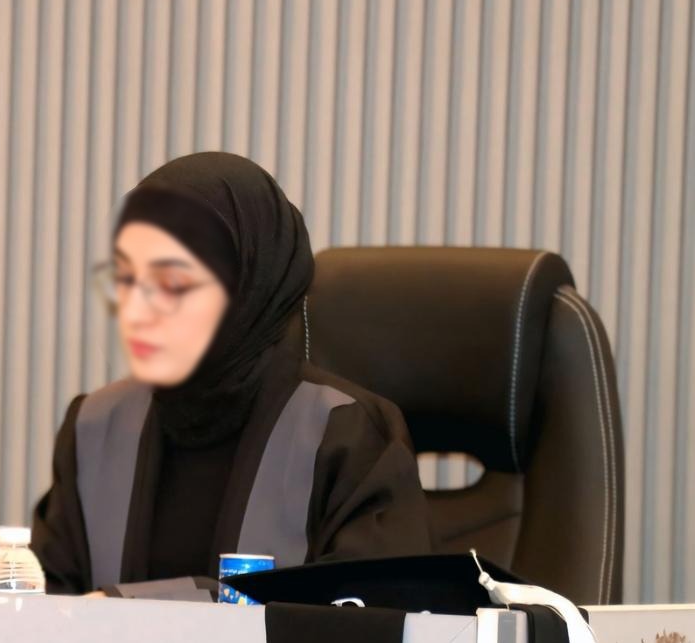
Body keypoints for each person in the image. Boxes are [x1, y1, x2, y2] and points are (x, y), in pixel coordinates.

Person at [31, 152, 434, 599]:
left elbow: (367, 615)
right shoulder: (95, 426)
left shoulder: (348, 434)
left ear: (249, 284)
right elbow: (38, 606)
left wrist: (128, 607)